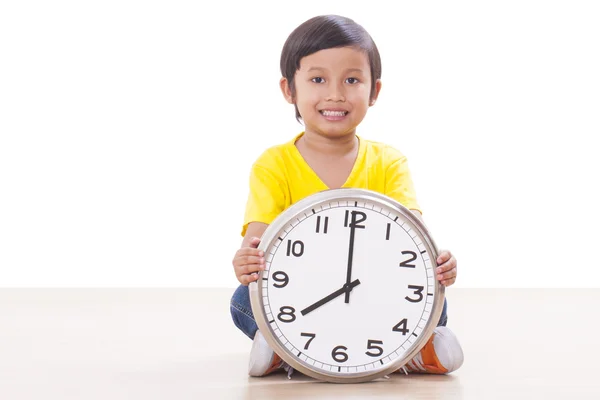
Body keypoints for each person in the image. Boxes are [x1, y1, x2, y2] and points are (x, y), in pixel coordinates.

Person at [230, 14, 464, 378]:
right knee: (243, 301)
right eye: (318, 79)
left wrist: (438, 264)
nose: (335, 94)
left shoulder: (388, 161)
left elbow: (413, 236)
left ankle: (420, 349)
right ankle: (278, 345)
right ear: (289, 89)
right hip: (304, 292)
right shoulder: (273, 164)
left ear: (374, 92)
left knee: (433, 298)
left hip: (373, 286)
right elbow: (257, 240)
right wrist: (246, 260)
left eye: (352, 80)